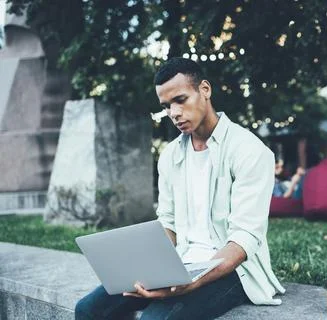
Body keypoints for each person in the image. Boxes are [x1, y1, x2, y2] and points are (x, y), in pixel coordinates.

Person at [75, 58, 285, 319]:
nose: (173, 113)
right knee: (87, 310)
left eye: (180, 100)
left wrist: (193, 282)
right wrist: (145, 267)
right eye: (166, 106)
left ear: (205, 90)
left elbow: (243, 240)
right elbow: (168, 222)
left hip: (233, 273)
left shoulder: (250, 151)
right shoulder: (171, 155)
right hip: (181, 263)